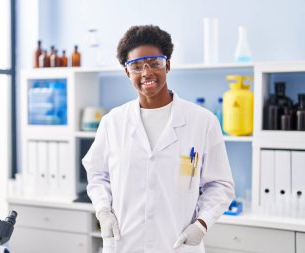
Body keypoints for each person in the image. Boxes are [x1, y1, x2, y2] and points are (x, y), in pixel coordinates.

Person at [82, 25, 235, 253]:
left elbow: (220, 185)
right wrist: (103, 211)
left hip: (177, 244)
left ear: (168, 65)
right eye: (136, 66)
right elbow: (97, 174)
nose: (146, 73)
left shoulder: (202, 121)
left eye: (155, 63)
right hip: (125, 243)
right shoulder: (112, 122)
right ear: (127, 72)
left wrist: (202, 224)